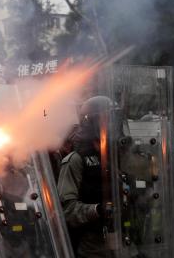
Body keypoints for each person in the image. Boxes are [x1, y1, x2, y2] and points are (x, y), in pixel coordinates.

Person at [57, 96, 115, 258]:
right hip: (93, 244)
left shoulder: (116, 156)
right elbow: (66, 210)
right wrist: (97, 210)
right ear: (92, 122)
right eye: (106, 118)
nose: (111, 124)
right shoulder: (75, 160)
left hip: (123, 240)